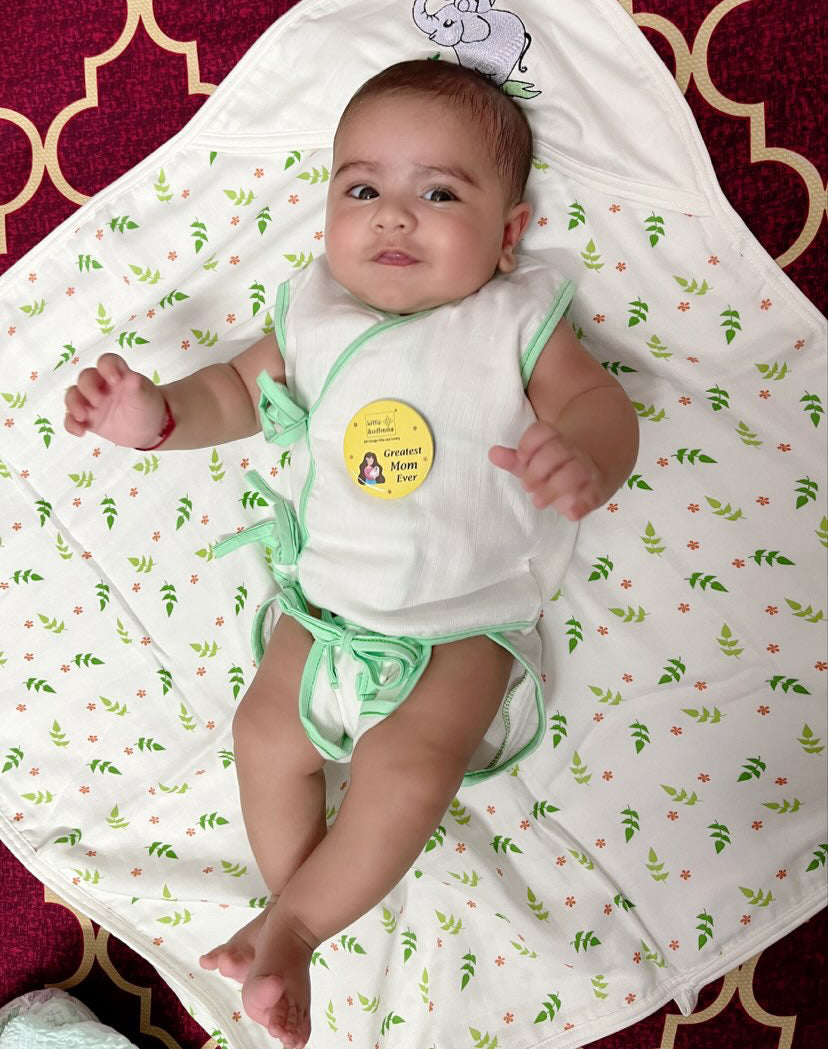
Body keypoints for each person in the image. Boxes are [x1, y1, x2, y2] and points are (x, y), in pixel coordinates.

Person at [63, 60, 639, 1047]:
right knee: (264, 734)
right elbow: (234, 394)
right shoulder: (312, 313)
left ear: (508, 235)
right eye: (363, 189)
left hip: (462, 626)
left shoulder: (511, 319)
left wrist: (586, 453)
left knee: (408, 769)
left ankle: (291, 927)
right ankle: (292, 917)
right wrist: (156, 417)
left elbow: (596, 402)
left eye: (439, 194)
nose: (394, 216)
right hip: (321, 612)